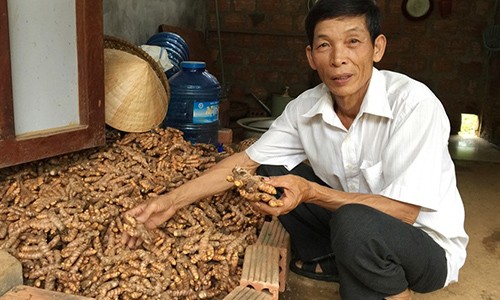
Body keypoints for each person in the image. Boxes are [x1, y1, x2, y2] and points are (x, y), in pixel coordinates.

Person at [123, 0, 468, 298]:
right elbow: (243, 163)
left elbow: (404, 213)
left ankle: (393, 288)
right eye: (324, 46)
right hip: (353, 226)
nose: (338, 59)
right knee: (271, 174)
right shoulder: (305, 108)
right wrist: (169, 202)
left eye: (353, 42)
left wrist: (311, 192)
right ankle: (335, 259)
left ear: (377, 48)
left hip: (424, 246)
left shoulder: (413, 104)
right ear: (310, 56)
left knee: (354, 224)